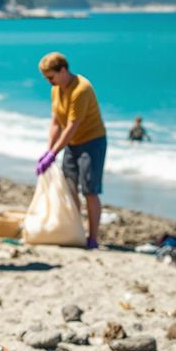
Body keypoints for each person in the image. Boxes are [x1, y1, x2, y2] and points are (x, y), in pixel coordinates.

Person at [36, 52, 107, 249]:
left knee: (89, 190)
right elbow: (56, 122)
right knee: (69, 187)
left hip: (92, 142)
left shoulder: (81, 89)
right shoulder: (56, 89)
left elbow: (71, 126)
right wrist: (48, 150)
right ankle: (77, 231)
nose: (49, 82)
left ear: (63, 70)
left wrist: (53, 154)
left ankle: (93, 238)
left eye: (51, 77)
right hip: (72, 143)